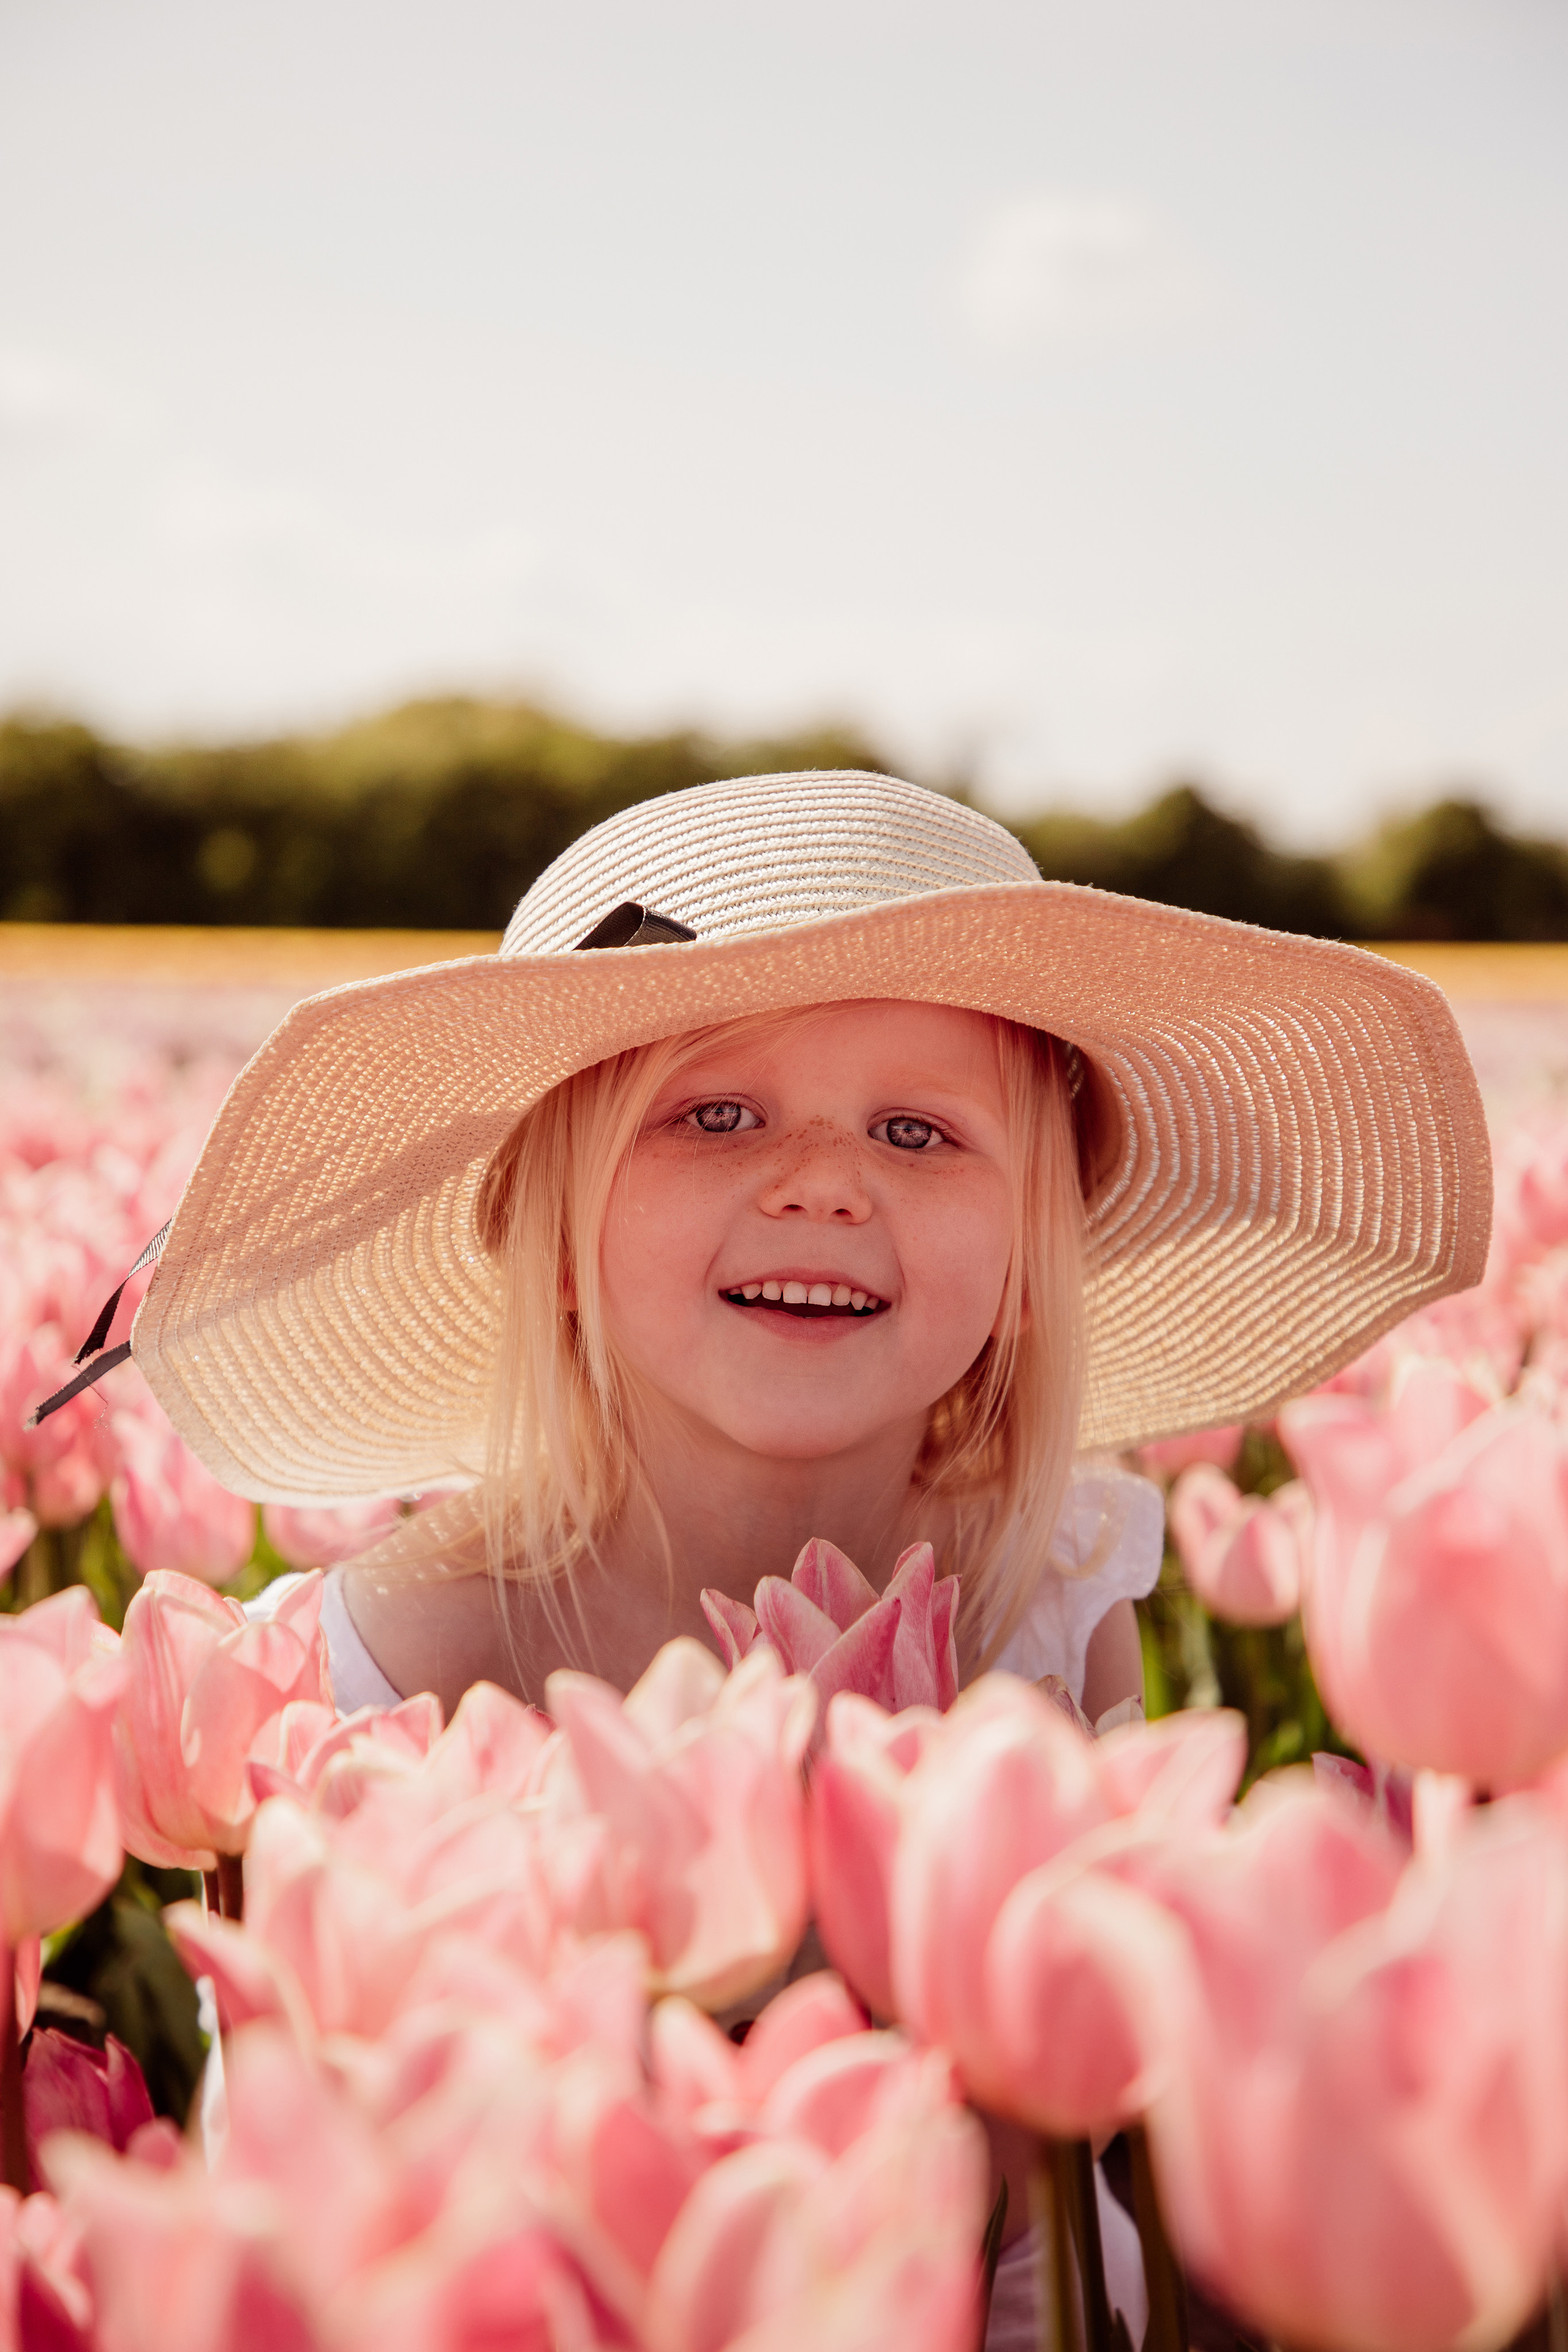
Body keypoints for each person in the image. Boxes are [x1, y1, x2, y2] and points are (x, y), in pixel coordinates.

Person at [99, 767, 1490, 2344]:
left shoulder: (1056, 1599)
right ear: (555, 1231)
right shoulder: (361, 1682)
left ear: (1033, 1262)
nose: (822, 1178)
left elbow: (1089, 2207)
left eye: (917, 1129)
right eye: (714, 1112)